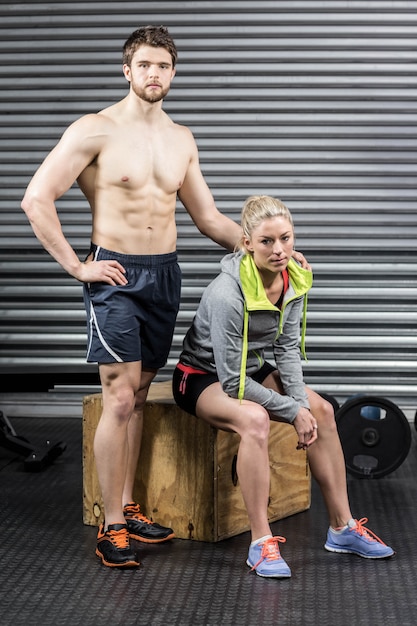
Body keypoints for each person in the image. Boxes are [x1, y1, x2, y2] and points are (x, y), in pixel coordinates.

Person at [20, 25, 310, 568]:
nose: (155, 74)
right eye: (145, 65)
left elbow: (207, 219)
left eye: (164, 66)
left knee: (139, 399)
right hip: (116, 276)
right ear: (127, 71)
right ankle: (111, 527)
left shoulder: (181, 139)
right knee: (121, 397)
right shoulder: (94, 130)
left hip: (165, 274)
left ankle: (128, 506)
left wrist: (270, 250)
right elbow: (36, 198)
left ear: (173, 74)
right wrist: (77, 267)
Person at [172, 194, 394, 578]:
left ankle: (342, 527)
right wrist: (292, 410)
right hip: (201, 376)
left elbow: (286, 349)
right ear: (246, 243)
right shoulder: (227, 294)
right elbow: (231, 380)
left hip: (252, 368)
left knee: (322, 410)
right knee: (255, 419)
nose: (280, 250)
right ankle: (261, 543)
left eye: (286, 239)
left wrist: (302, 406)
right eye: (267, 241)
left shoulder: (294, 279)